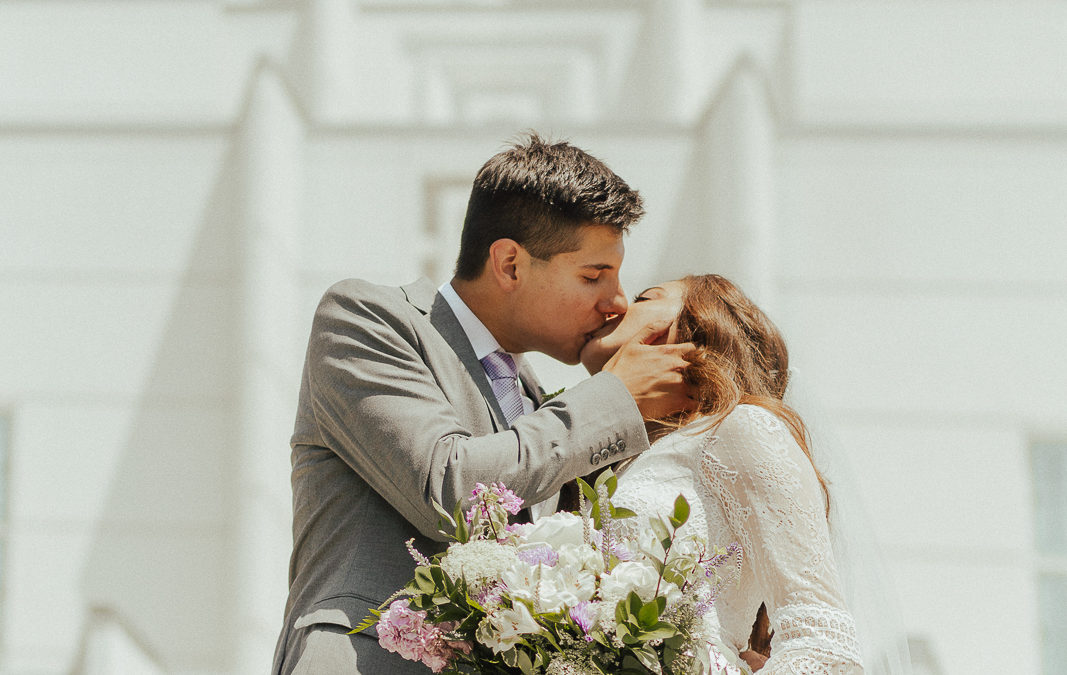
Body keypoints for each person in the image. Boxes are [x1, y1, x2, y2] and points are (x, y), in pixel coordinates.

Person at [272, 134, 696, 674]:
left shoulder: (541, 404)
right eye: (594, 275)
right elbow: (450, 489)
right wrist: (613, 398)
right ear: (510, 264)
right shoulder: (368, 320)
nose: (615, 301)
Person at [577, 274, 869, 675]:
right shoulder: (608, 456)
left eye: (646, 298)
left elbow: (825, 646)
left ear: (698, 328)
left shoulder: (740, 427)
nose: (619, 305)